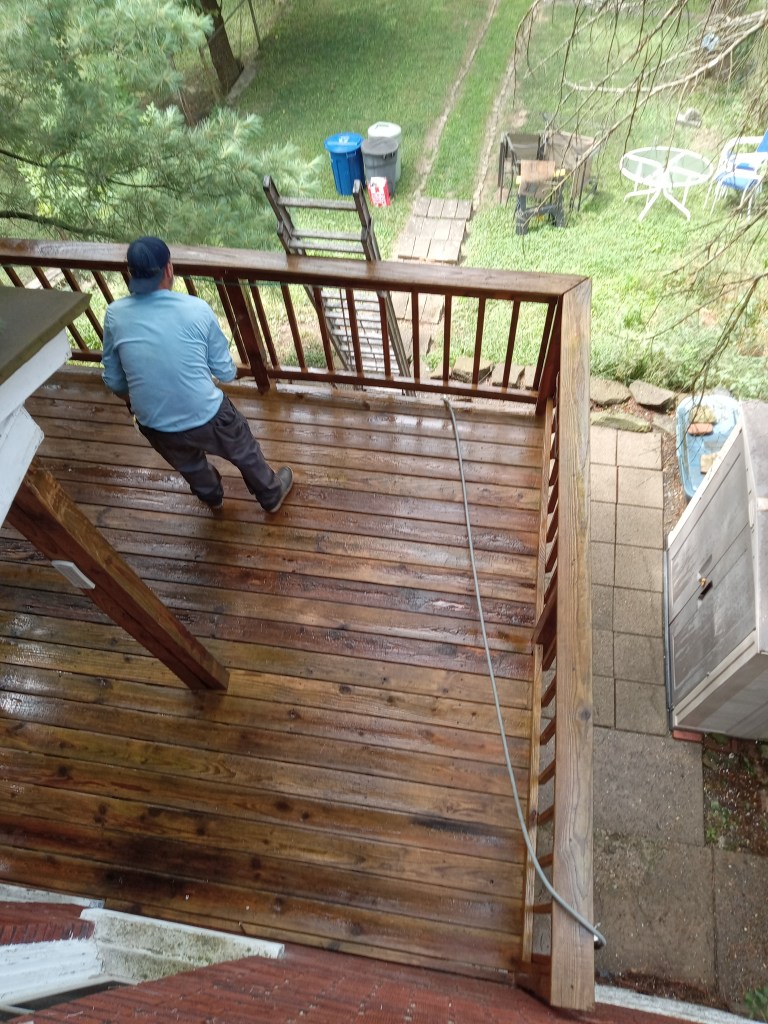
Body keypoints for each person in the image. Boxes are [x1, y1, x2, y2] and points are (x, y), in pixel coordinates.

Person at [102, 236, 293, 513]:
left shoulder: (114, 314)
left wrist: (134, 402)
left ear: (131, 273)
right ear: (168, 269)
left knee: (189, 465)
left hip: (155, 423)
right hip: (208, 415)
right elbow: (225, 373)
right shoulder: (196, 310)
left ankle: (212, 497)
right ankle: (271, 494)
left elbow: (115, 381)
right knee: (243, 450)